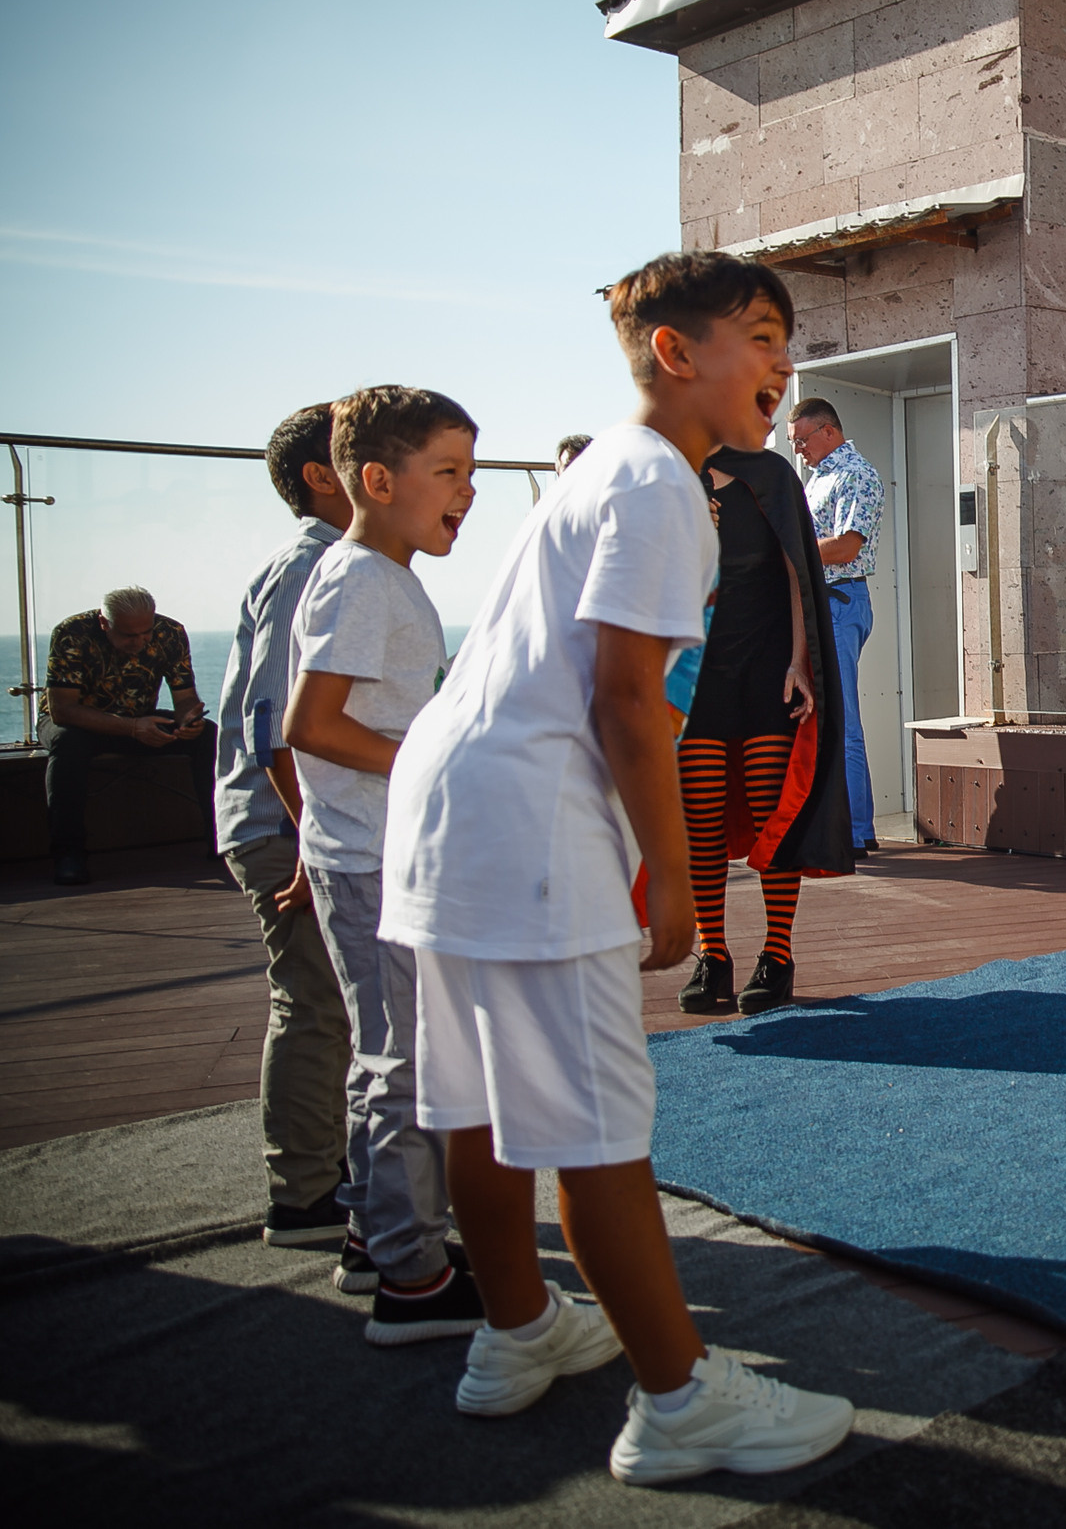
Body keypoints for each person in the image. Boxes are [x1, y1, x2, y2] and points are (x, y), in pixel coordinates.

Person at [380, 250, 853, 1482]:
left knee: (481, 1103)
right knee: (597, 1127)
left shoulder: (604, 475)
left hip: (449, 809)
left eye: (786, 339)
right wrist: (675, 881)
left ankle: (517, 1332)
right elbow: (633, 705)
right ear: (675, 353)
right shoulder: (656, 485)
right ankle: (680, 1402)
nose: (781, 361)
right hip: (531, 821)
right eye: (759, 334)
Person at [284, 386, 487, 1342]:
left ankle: (375, 1237)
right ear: (377, 478)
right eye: (448, 472)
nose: (470, 490)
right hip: (375, 860)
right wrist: (431, 757)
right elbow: (312, 726)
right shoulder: (364, 577)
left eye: (473, 472)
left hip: (363, 851)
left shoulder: (379, 575)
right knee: (406, 1061)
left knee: (384, 1053)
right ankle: (414, 1277)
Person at [213, 403, 356, 1249]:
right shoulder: (313, 569)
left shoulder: (330, 565)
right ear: (321, 475)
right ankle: (304, 1196)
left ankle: (320, 1176)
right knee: (314, 1005)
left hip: (294, 823)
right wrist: (308, 839)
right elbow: (276, 723)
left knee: (323, 1003)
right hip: (288, 828)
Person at [676, 440, 864, 1016]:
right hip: (695, 672)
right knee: (699, 820)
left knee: (770, 814)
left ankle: (776, 956)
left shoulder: (772, 475)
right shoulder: (666, 472)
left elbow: (798, 572)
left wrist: (800, 660)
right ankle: (713, 956)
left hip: (767, 668)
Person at [42, 587, 214, 884]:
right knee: (68, 743)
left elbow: (184, 696)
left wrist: (188, 718)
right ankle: (68, 853)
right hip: (80, 723)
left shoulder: (170, 633)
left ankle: (219, 838)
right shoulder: (71, 634)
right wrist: (133, 728)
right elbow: (63, 711)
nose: (139, 642)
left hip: (138, 718)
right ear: (103, 623)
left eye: (145, 633)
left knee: (208, 735)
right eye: (128, 635)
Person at [786, 398, 882, 851]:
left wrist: (788, 550)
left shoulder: (855, 474)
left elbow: (845, 547)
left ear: (828, 431)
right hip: (820, 603)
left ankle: (857, 830)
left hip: (840, 602)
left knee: (842, 721)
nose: (799, 450)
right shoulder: (818, 477)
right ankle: (838, 824)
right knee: (822, 720)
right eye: (793, 444)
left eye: (802, 440)